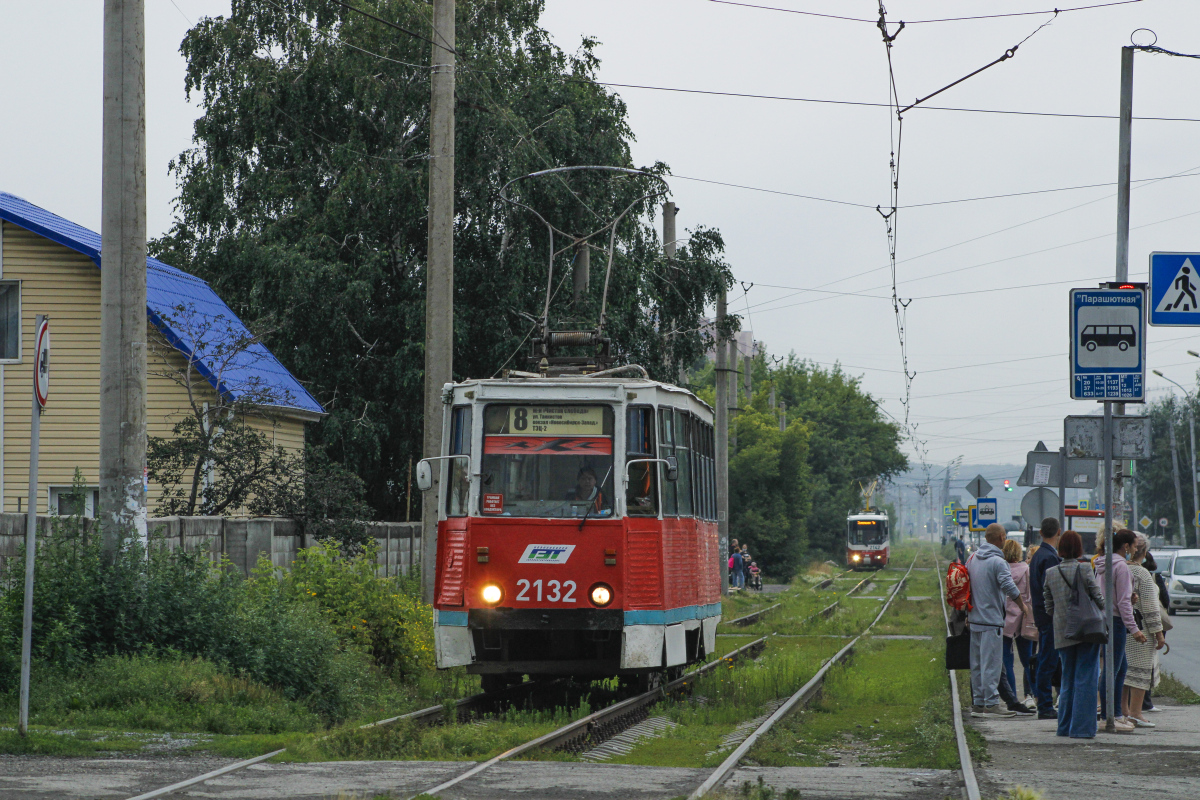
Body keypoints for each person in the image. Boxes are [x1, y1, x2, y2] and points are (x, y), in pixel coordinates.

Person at [1042, 531, 1106, 739]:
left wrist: (1062, 618)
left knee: (1067, 679)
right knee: (1086, 678)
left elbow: (1048, 606)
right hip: (1087, 631)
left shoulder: (1051, 573)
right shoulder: (1085, 568)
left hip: (1063, 632)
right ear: (1078, 548)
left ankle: (1064, 727)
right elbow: (1097, 597)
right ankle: (1082, 729)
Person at [967, 523, 1033, 717]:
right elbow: (1009, 586)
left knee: (977, 663)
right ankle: (992, 702)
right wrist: (1022, 605)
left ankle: (978, 703)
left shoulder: (972, 558)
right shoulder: (997, 561)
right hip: (992, 621)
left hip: (975, 619)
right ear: (1002, 538)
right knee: (992, 664)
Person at [1094, 528, 1147, 729]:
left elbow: (1109, 595)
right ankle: (1111, 716)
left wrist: (1127, 597)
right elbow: (1123, 603)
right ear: (1125, 546)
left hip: (1104, 619)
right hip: (1116, 622)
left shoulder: (1103, 563)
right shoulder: (1122, 567)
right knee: (1112, 669)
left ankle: (1114, 714)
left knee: (1119, 667)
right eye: (1134, 546)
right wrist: (1134, 629)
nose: (1135, 550)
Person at [1123, 533, 1165, 727]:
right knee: (1139, 674)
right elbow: (1150, 607)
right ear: (1145, 552)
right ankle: (1136, 713)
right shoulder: (1142, 574)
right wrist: (1159, 633)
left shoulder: (1120, 568)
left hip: (1123, 628)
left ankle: (1122, 712)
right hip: (1141, 631)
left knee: (1123, 673)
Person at [1028, 517, 1062, 720]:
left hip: (1041, 613)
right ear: (1058, 532)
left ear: (1041, 533)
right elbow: (1050, 590)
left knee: (1046, 658)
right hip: (1049, 616)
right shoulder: (1050, 558)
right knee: (1047, 660)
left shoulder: (1038, 555)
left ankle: (1045, 702)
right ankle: (1045, 705)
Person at [1001, 539, 1035, 713]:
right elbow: (1029, 594)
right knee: (1027, 659)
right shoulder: (1026, 570)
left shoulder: (1002, 569)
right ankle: (1033, 696)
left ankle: (1012, 698)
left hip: (1005, 618)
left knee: (1006, 661)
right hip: (1023, 618)